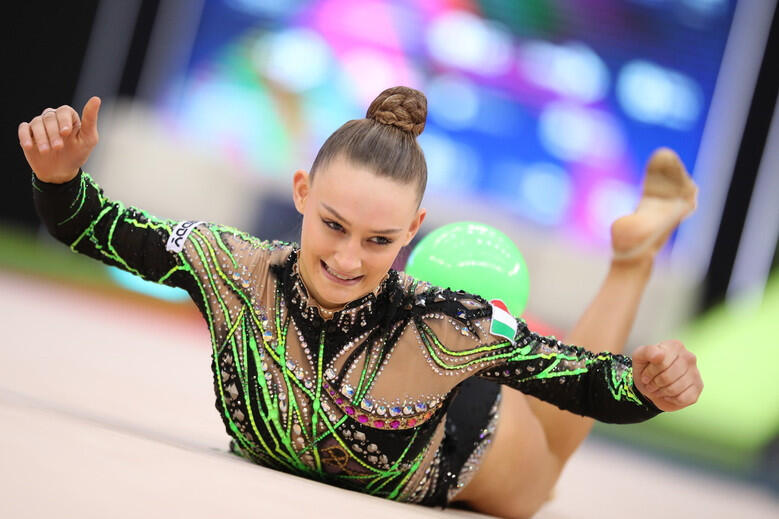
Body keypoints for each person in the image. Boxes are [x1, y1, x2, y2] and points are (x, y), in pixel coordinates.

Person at [19, 87, 702, 518]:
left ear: (412, 230)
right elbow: (96, 226)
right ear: (301, 192)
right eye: (334, 225)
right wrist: (59, 178)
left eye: (378, 240)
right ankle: (635, 253)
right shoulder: (233, 266)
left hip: (460, 438)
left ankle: (631, 258)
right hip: (413, 383)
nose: (348, 259)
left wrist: (650, 385)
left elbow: (585, 378)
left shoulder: (449, 323)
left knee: (544, 468)